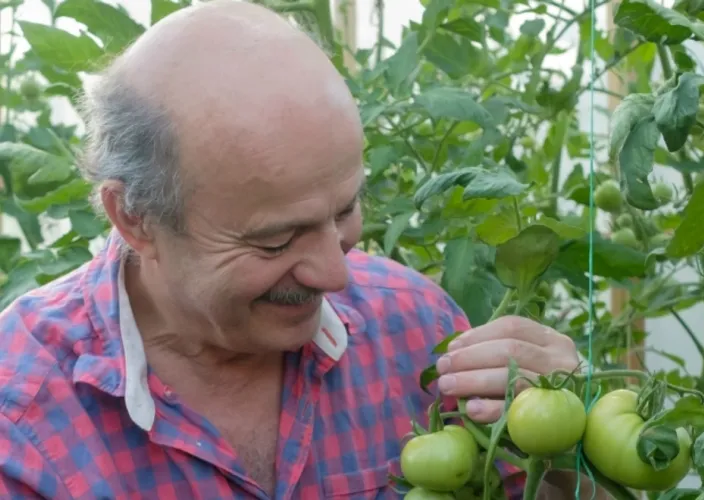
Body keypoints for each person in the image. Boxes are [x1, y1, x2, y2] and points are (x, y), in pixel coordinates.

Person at [0, 1, 606, 499]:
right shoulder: (22, 420)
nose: (335, 273)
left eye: (345, 211)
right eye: (276, 239)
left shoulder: (416, 328)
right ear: (134, 218)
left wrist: (571, 447)